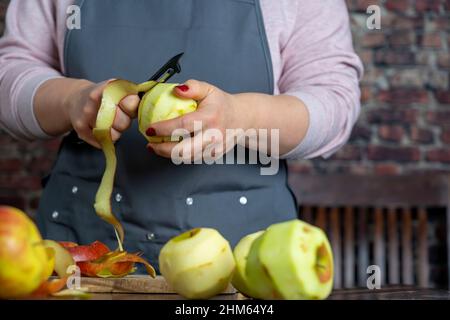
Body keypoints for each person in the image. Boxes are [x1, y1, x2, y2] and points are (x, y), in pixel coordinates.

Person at [0, 0, 363, 270]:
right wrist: (71, 100)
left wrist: (241, 117)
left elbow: (334, 103)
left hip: (245, 264)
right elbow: (11, 73)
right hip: (83, 254)